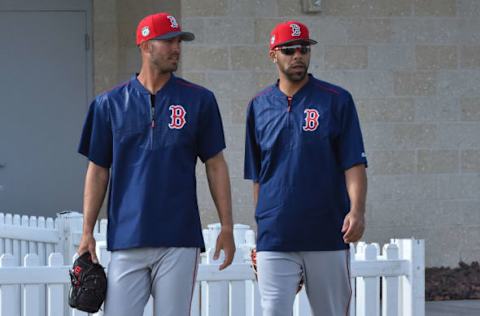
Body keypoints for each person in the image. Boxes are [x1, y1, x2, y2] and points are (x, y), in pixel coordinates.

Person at [77, 12, 235, 316]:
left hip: (179, 237)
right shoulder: (108, 104)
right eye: (168, 41)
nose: (176, 47)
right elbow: (97, 169)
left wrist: (226, 225)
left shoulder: (200, 100)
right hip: (127, 237)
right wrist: (87, 232)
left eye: (179, 41)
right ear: (146, 45)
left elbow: (215, 163)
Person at [244, 20, 368, 316]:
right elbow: (258, 175)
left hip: (327, 232)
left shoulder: (337, 100)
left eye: (303, 49)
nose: (298, 55)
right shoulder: (258, 105)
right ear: (273, 54)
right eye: (289, 50)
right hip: (276, 236)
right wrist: (262, 228)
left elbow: (353, 162)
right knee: (274, 311)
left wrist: (357, 210)